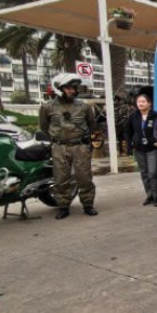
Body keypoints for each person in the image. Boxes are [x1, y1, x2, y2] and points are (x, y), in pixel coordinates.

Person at [39, 73, 98, 219]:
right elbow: (44, 127)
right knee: (60, 178)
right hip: (59, 147)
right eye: (68, 88)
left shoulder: (83, 107)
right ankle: (63, 206)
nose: (72, 90)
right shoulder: (47, 107)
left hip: (79, 147)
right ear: (59, 88)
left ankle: (88, 205)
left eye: (74, 88)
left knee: (84, 177)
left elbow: (92, 125)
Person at [124, 93, 157, 206]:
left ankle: (156, 196)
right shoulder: (133, 116)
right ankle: (149, 195)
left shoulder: (156, 116)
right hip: (139, 148)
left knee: (152, 173)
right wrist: (129, 146)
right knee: (144, 173)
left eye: (143, 101)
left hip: (152, 148)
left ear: (149, 103)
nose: (140, 103)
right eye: (139, 101)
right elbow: (128, 132)